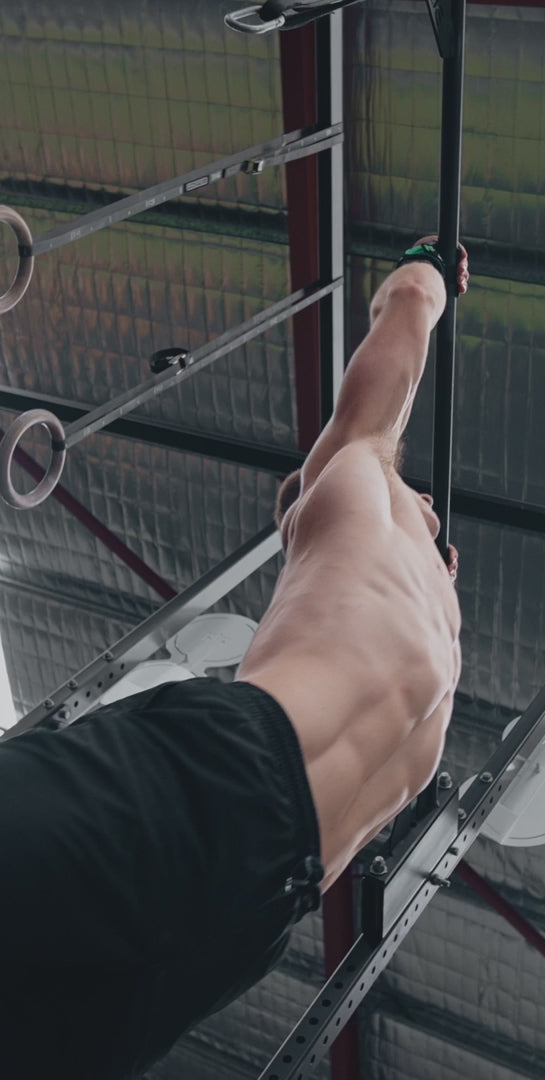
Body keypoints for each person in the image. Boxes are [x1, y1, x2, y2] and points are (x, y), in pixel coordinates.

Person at [0, 238, 467, 1080]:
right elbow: (396, 338)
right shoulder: (351, 479)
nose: (430, 501)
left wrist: (434, 579)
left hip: (259, 907)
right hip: (225, 768)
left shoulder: (428, 627)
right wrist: (426, 273)